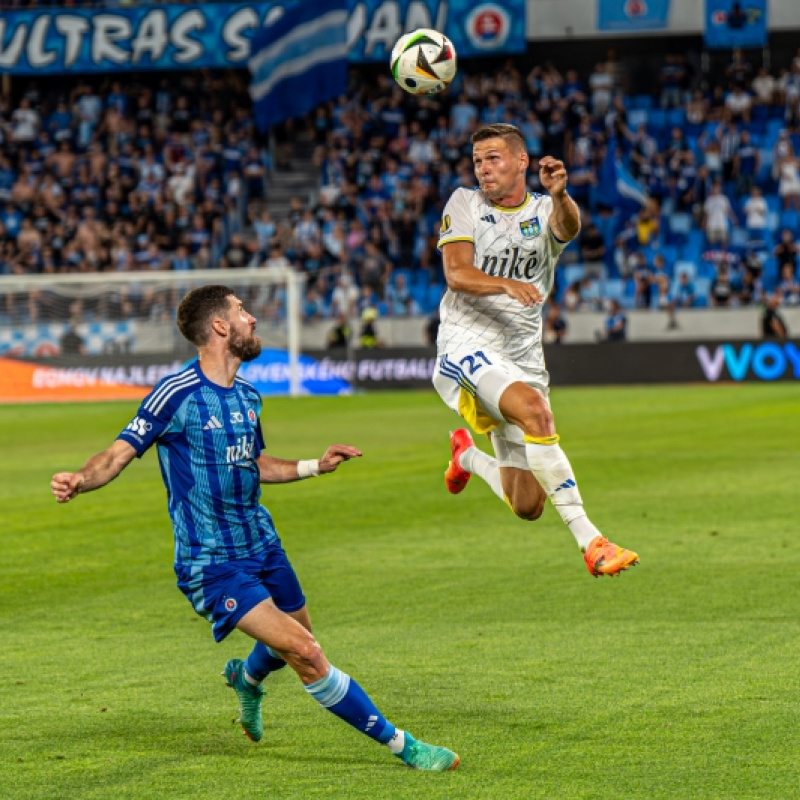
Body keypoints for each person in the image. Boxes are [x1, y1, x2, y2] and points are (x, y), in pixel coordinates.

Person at [50, 285, 459, 772]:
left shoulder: (247, 395)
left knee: (295, 634)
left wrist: (314, 465)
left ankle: (246, 678)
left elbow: (254, 463)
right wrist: (81, 477)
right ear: (220, 326)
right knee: (305, 651)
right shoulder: (176, 395)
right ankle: (406, 747)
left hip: (262, 543)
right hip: (213, 563)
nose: (252, 319)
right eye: (242, 311)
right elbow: (117, 453)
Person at [432, 123, 638, 578]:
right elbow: (457, 274)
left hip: (522, 355)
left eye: (494, 159)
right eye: (478, 161)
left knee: (527, 505)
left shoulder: (546, 209)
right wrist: (506, 283)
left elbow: (567, 228)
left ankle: (465, 455)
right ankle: (593, 542)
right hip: (466, 343)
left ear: (521, 161)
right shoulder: (464, 203)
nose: (483, 169)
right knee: (536, 413)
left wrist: (561, 195)